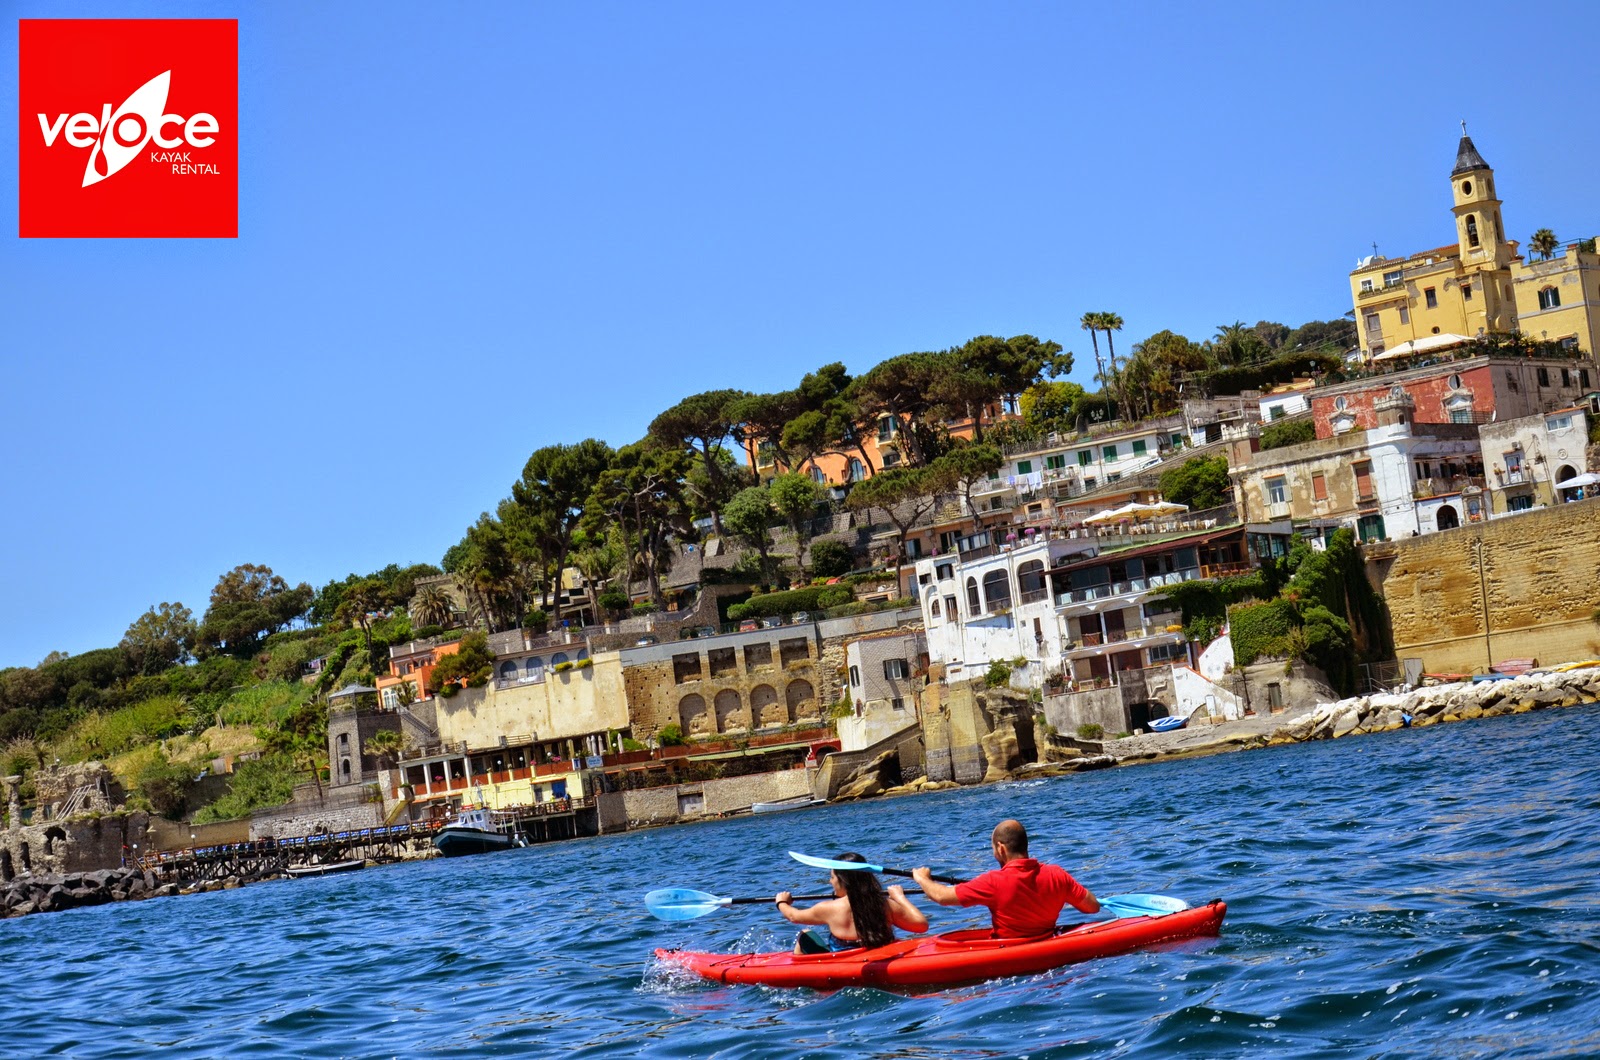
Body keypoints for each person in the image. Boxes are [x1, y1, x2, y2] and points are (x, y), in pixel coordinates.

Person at [912, 819, 1099, 938]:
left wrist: (922, 878)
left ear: (1001, 848)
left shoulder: (992, 882)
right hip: (1046, 944)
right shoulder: (1057, 874)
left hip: (1009, 954)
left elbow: (943, 897)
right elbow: (1092, 907)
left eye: (993, 849)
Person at [775, 852, 928, 953]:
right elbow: (921, 926)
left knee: (805, 934)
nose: (830, 881)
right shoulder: (885, 904)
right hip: (881, 956)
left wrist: (782, 902)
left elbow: (793, 916)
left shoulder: (828, 908)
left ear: (843, 881)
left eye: (832, 877)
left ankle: (801, 972)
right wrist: (900, 898)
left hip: (843, 964)